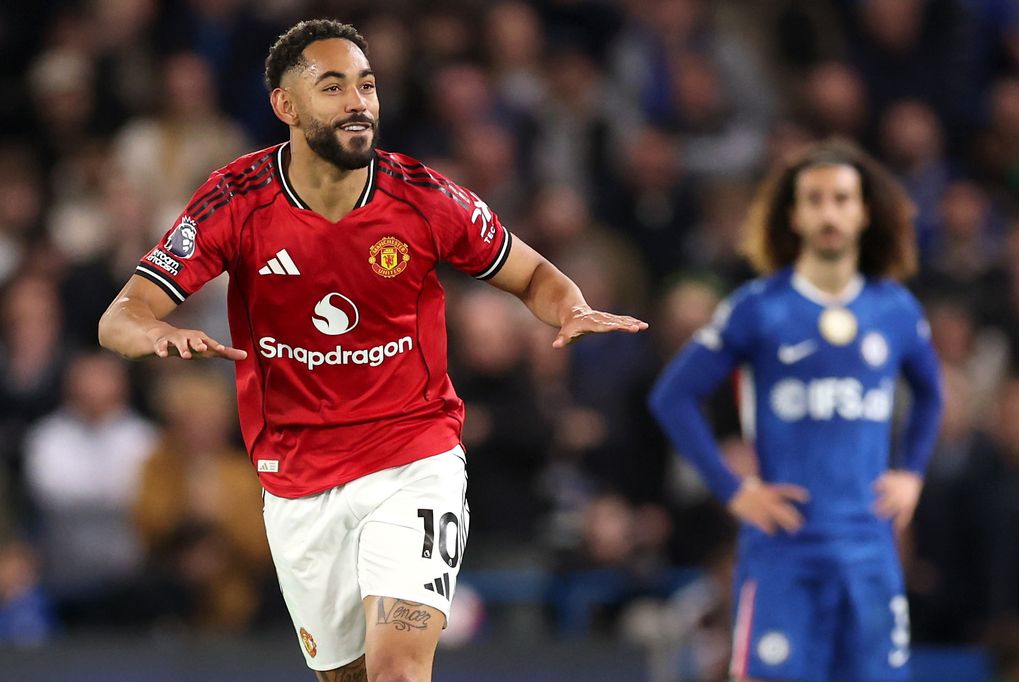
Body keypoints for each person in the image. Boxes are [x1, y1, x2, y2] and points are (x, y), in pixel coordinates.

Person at [97, 19, 647, 682]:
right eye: (333, 87)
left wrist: (570, 307)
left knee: (396, 671)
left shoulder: (422, 196)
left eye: (367, 84)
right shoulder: (236, 201)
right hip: (297, 479)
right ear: (286, 105)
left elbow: (529, 273)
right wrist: (155, 332)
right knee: (349, 678)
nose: (359, 101)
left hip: (411, 460)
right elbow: (121, 315)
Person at [649, 139, 942, 682]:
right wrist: (733, 490)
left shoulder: (895, 309)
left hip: (869, 550)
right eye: (815, 200)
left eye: (841, 199)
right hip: (784, 551)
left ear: (864, 212)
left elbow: (931, 391)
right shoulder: (758, 308)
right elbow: (673, 397)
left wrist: (912, 473)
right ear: (793, 214)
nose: (829, 212)